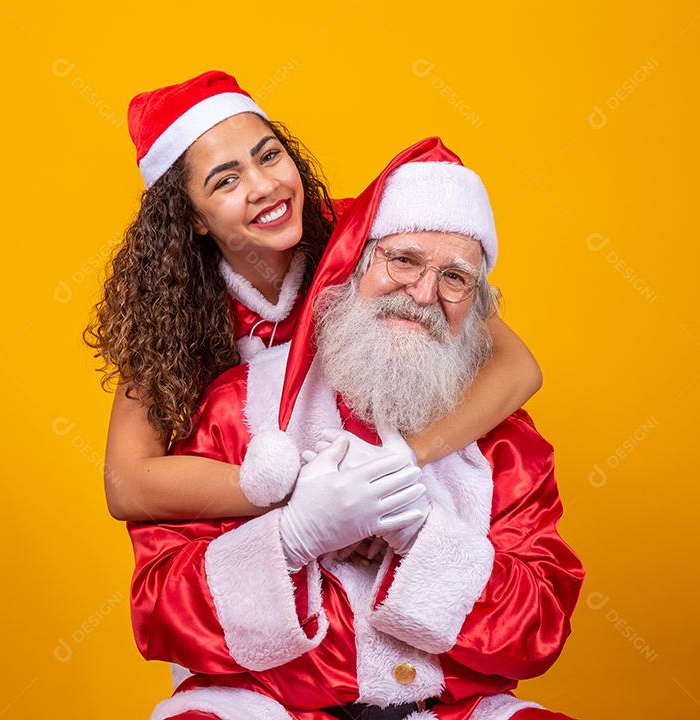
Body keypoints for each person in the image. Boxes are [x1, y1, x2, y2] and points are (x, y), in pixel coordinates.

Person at [127, 138, 585, 720]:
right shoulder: (236, 409)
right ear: (351, 265)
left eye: (455, 278)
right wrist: (294, 534)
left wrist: (423, 533)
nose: (423, 294)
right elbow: (161, 608)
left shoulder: (503, 439)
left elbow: (541, 627)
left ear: (477, 303)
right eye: (402, 260)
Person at [85, 71, 544, 528]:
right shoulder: (168, 308)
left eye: (269, 156)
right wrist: (295, 496)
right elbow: (127, 482)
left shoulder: (369, 239)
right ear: (193, 218)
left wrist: (398, 464)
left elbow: (517, 367)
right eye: (225, 181)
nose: (263, 185)